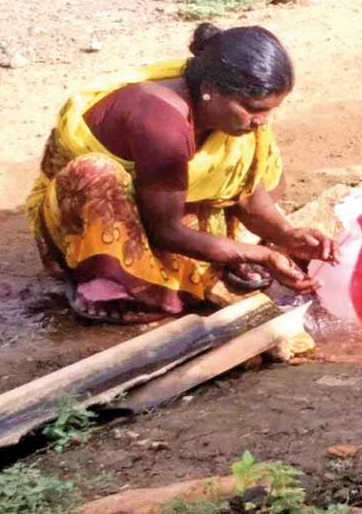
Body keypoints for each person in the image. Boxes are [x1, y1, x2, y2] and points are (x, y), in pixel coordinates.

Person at [26, 22, 338, 324]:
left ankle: (213, 262)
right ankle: (102, 279)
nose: (262, 121)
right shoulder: (160, 124)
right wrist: (261, 256)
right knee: (96, 175)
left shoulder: (225, 119)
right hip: (99, 218)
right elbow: (166, 230)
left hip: (158, 203)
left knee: (241, 199)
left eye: (271, 110)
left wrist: (288, 234)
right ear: (210, 90)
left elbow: (247, 199)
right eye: (253, 108)